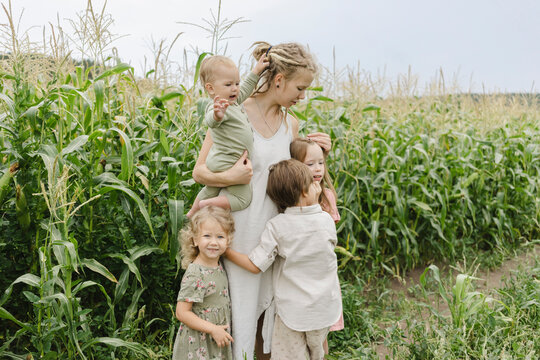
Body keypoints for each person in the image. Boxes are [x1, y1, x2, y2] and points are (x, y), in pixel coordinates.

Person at [192, 41, 331, 360]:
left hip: (275, 237)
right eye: (300, 87)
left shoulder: (290, 125)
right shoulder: (233, 111)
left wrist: (323, 155)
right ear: (279, 79)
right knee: (236, 316)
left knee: (270, 322)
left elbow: (300, 179)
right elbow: (200, 172)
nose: (303, 96)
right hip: (238, 232)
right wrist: (231, 179)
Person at [224, 159, 342, 360]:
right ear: (304, 192)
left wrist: (226, 252)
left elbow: (255, 265)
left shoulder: (277, 226)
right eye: (312, 183)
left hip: (293, 313)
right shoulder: (325, 220)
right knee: (318, 353)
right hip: (325, 308)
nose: (317, 185)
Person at [186, 54, 269, 218]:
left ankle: (193, 211)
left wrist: (257, 70)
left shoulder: (234, 102)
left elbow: (246, 88)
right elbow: (211, 121)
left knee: (210, 188)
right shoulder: (217, 106)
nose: (235, 88)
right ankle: (205, 204)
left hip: (220, 161)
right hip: (228, 161)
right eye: (228, 84)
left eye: (236, 83)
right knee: (243, 198)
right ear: (211, 88)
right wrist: (218, 115)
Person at [290, 137, 344, 353]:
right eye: (309, 164)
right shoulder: (291, 199)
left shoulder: (327, 196)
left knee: (321, 332)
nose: (317, 169)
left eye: (320, 163)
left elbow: (327, 236)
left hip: (321, 272)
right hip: (299, 274)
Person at [172, 206, 235, 360]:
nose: (214, 242)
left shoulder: (220, 266)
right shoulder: (196, 273)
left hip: (215, 340)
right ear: (194, 239)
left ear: (228, 240)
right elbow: (182, 312)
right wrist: (213, 329)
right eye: (207, 236)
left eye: (220, 237)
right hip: (198, 344)